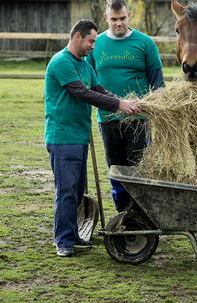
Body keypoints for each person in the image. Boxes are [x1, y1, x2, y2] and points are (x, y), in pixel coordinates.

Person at [45, 19, 140, 257]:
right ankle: (63, 240)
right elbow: (83, 93)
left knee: (77, 191)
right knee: (66, 190)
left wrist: (123, 101)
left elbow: (99, 90)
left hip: (79, 136)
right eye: (91, 41)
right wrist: (119, 104)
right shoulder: (61, 63)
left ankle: (73, 234)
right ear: (77, 36)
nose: (93, 46)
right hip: (62, 137)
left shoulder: (85, 65)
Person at [86, 0, 164, 212]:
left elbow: (157, 81)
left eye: (122, 18)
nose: (118, 23)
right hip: (108, 117)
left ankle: (139, 212)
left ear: (129, 16)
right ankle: (123, 212)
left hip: (138, 118)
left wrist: (157, 107)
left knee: (137, 167)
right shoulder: (97, 44)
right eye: (113, 19)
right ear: (106, 18)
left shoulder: (145, 43)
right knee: (116, 167)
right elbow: (87, 79)